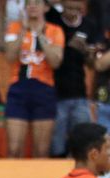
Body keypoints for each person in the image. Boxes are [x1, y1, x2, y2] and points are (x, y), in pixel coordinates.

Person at [4, 0, 64, 158]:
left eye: (37, 3)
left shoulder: (55, 30)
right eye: (28, 3)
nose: (32, 6)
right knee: (14, 149)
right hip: (18, 87)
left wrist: (40, 35)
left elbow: (56, 62)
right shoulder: (14, 28)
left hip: (44, 89)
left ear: (45, 7)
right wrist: (24, 31)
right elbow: (10, 56)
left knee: (42, 151)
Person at [46, 0, 100, 157]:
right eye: (69, 8)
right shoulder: (53, 20)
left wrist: (86, 51)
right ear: (62, 5)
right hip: (55, 92)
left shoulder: (89, 24)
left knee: (85, 141)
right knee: (57, 144)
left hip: (79, 92)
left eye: (77, 9)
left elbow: (92, 64)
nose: (72, 12)